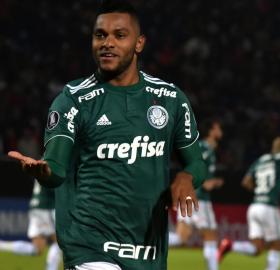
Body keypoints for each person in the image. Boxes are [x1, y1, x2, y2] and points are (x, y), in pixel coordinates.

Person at [8, 1, 207, 269]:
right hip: (89, 247)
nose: (107, 43)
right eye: (100, 35)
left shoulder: (171, 99)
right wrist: (44, 172)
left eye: (119, 35)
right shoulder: (73, 100)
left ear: (139, 43)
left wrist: (187, 176)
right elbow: (55, 168)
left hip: (147, 251)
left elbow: (196, 162)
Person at [217, 108, 280, 270]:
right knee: (278, 244)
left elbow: (245, 182)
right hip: (268, 207)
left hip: (255, 206)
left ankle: (230, 245)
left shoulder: (260, 160)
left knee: (257, 248)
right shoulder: (277, 159)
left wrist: (260, 191)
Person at [169, 119, 224, 270]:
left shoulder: (199, 146)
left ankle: (148, 240)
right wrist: (208, 183)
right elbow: (195, 169)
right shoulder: (205, 148)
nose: (221, 131)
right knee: (211, 237)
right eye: (218, 127)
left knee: (181, 237)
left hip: (186, 195)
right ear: (212, 131)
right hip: (199, 198)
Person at [0, 180, 61, 270]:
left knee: (37, 249)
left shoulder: (41, 166)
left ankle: (1, 245)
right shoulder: (52, 166)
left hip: (36, 206)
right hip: (46, 206)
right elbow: (55, 186)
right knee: (59, 242)